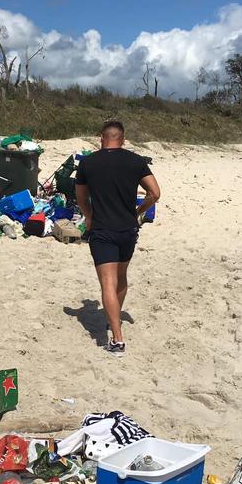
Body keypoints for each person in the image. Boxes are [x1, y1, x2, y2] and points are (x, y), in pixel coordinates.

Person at [75, 120, 160, 355]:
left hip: (103, 230)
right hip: (128, 230)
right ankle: (115, 319)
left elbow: (81, 198)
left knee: (107, 283)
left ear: (101, 138)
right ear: (123, 139)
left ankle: (117, 339)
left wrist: (89, 217)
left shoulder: (88, 162)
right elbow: (155, 193)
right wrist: (138, 212)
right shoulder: (136, 161)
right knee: (121, 278)